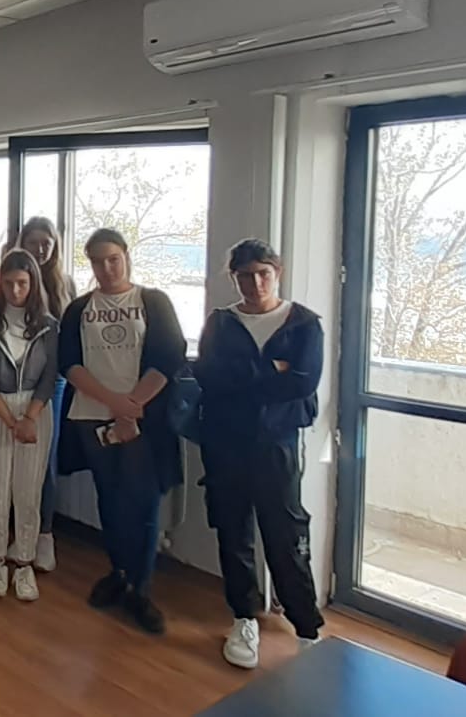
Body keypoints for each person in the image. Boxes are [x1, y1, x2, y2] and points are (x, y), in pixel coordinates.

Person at [192, 239, 325, 669]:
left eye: (263, 273)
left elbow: (303, 382)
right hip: (224, 441)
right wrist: (272, 369)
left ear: (277, 273)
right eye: (245, 276)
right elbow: (208, 375)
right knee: (233, 532)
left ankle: (306, 628)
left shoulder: (303, 323)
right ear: (234, 278)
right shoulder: (221, 322)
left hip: (278, 443)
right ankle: (244, 617)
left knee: (285, 533)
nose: (255, 283)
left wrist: (243, 377)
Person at [58, 228, 188, 637]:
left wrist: (131, 408)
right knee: (110, 498)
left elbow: (169, 357)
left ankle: (140, 588)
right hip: (91, 418)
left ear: (126, 256)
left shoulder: (153, 302)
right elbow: (69, 363)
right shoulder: (79, 309)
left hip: (142, 422)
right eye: (97, 261)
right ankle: (118, 573)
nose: (106, 268)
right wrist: (114, 404)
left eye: (112, 258)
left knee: (143, 503)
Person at [0, 250, 59, 601]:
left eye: (22, 283)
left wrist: (30, 417)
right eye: (8, 283)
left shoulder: (49, 325)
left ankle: (23, 562)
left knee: (28, 491)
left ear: (33, 283)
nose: (15, 290)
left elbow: (50, 376)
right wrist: (10, 420)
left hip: (34, 411)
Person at [16, 216, 72, 571]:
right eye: (33, 242)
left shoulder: (65, 285)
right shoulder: (13, 278)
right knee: (16, 461)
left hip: (52, 383)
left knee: (43, 462)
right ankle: (21, 530)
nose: (39, 249)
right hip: (15, 381)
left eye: (45, 243)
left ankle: (45, 535)